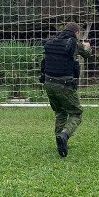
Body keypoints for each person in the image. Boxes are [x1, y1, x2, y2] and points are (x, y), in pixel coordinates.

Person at [40, 22, 91, 157]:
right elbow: (87, 54)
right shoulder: (74, 43)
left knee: (60, 112)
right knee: (76, 113)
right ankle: (64, 135)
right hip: (64, 84)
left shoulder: (51, 42)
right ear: (77, 33)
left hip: (48, 83)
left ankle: (60, 141)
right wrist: (87, 47)